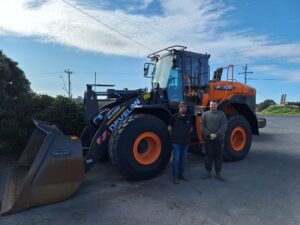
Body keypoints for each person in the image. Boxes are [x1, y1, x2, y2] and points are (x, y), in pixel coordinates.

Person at [201, 100, 227, 181]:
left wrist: (216, 134)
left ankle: (218, 173)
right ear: (209, 106)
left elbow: (224, 126)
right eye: (212, 105)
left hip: (218, 139)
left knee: (218, 156)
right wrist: (209, 134)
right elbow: (202, 125)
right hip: (208, 139)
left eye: (214, 105)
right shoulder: (205, 114)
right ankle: (208, 172)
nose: (213, 106)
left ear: (217, 105)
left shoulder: (221, 114)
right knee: (208, 156)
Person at [168, 101, 192, 184]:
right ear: (179, 108)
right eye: (182, 107)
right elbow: (170, 129)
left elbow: (191, 129)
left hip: (185, 142)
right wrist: (174, 137)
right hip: (177, 143)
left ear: (186, 108)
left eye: (184, 107)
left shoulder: (188, 117)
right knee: (176, 160)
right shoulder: (174, 117)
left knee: (182, 160)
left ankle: (181, 175)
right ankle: (175, 177)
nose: (183, 108)